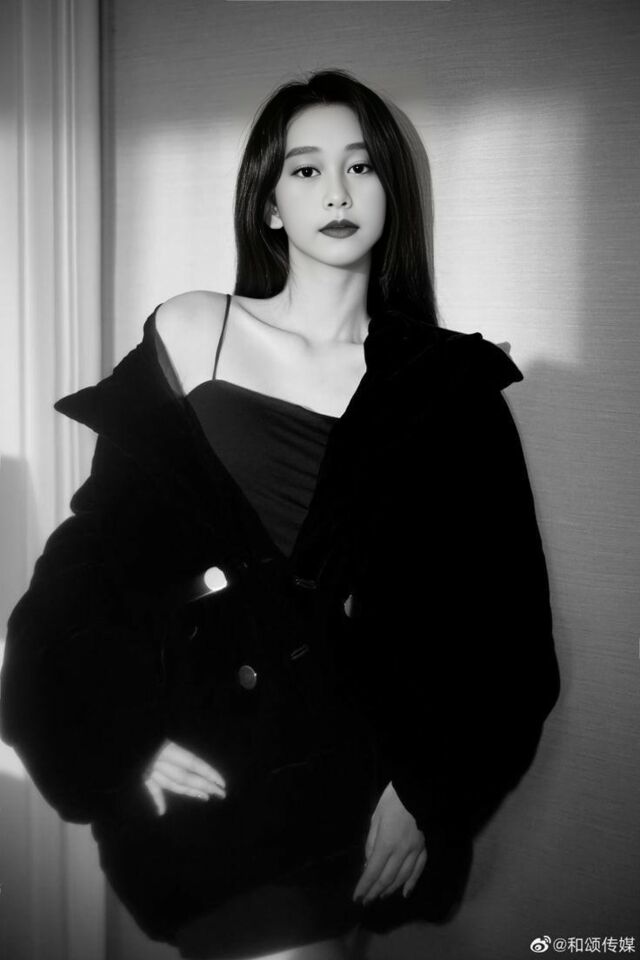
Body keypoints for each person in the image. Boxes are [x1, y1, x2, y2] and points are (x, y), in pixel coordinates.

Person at [0, 69, 560, 960]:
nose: (336, 192)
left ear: (391, 192)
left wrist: (425, 792)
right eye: (306, 170)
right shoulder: (195, 329)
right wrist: (113, 739)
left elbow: (502, 625)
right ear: (268, 204)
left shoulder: (447, 383)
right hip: (208, 792)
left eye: (361, 167)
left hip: (351, 795)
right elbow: (90, 570)